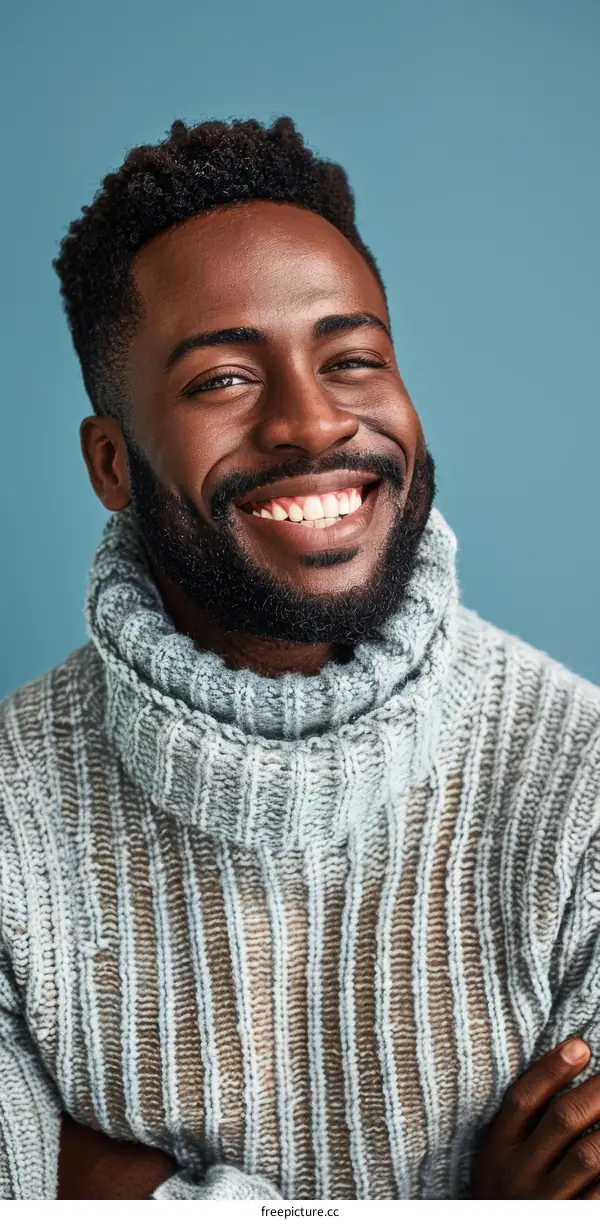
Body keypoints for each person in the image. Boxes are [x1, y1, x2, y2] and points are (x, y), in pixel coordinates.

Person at [1, 115, 599, 1201]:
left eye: (354, 358)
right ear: (110, 462)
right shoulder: (9, 815)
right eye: (225, 378)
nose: (313, 420)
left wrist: (126, 1188)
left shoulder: (583, 782)